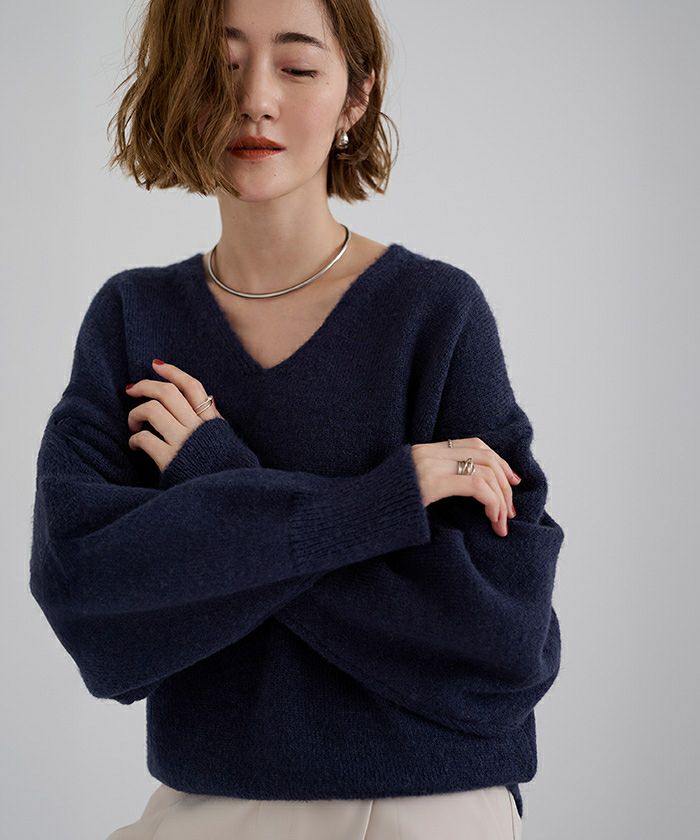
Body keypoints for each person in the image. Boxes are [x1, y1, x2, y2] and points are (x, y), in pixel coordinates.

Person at [29, 1, 565, 838]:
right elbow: (86, 596)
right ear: (176, 84)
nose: (255, 99)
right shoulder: (134, 319)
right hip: (208, 807)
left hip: (426, 808)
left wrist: (214, 486)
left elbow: (501, 640)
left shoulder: (435, 314)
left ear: (356, 95)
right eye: (221, 66)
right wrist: (385, 503)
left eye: (298, 67)